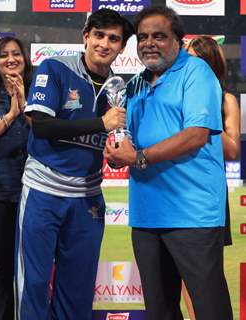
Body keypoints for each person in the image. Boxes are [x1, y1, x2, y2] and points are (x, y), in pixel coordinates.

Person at [104, 6, 233, 320]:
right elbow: (128, 138)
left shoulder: (197, 72)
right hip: (147, 216)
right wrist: (115, 150)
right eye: (143, 37)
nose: (149, 43)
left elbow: (196, 135)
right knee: (159, 312)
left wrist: (137, 157)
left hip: (193, 216)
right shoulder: (133, 85)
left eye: (159, 36)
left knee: (209, 310)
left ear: (178, 39)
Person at [14, 9, 134, 320]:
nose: (104, 44)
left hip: (87, 198)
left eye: (113, 39)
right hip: (43, 192)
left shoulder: (119, 91)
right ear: (85, 36)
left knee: (77, 289)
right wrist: (100, 123)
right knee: (35, 284)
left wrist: (118, 148)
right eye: (99, 35)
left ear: (122, 48)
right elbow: (40, 125)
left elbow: (119, 139)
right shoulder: (55, 68)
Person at [181, 35, 240, 320]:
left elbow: (232, 150)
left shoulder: (225, 99)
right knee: (181, 272)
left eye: (193, 57)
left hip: (208, 194)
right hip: (177, 190)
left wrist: (202, 124)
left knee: (208, 272)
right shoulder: (176, 93)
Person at [0, 36, 32, 320]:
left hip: (34, 195)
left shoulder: (38, 91)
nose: (11, 59)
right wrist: (11, 112)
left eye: (16, 53)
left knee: (33, 266)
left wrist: (25, 104)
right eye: (3, 55)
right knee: (1, 267)